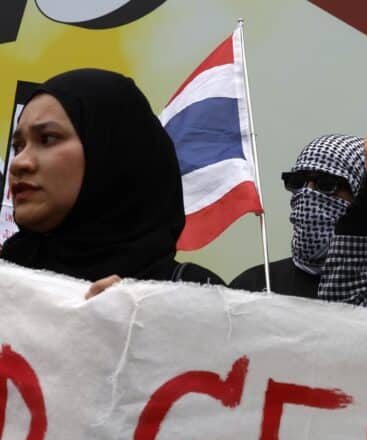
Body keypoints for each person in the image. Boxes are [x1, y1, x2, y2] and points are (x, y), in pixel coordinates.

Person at [1, 68, 223, 296]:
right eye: (18, 146)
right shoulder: (7, 280)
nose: (19, 163)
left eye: (47, 138)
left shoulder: (196, 296)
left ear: (112, 151)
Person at [229, 115, 367, 318]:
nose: (308, 194)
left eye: (326, 185)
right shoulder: (252, 286)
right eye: (297, 182)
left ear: (363, 195)